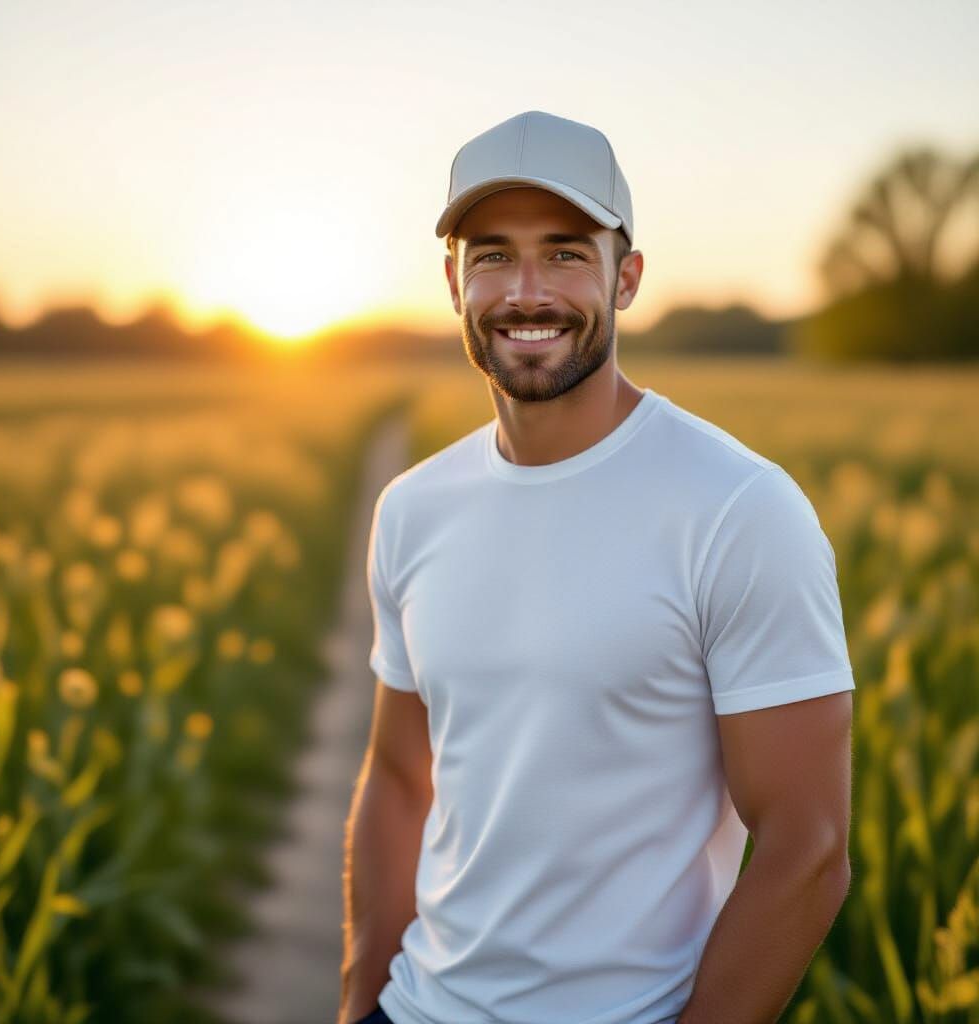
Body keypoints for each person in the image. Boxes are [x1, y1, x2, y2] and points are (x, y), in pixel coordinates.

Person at [338, 110, 855, 1024]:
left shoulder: (739, 510)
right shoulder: (413, 508)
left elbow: (806, 847)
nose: (526, 292)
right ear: (453, 279)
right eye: (492, 254)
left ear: (628, 277)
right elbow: (396, 776)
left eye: (568, 253)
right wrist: (360, 1001)